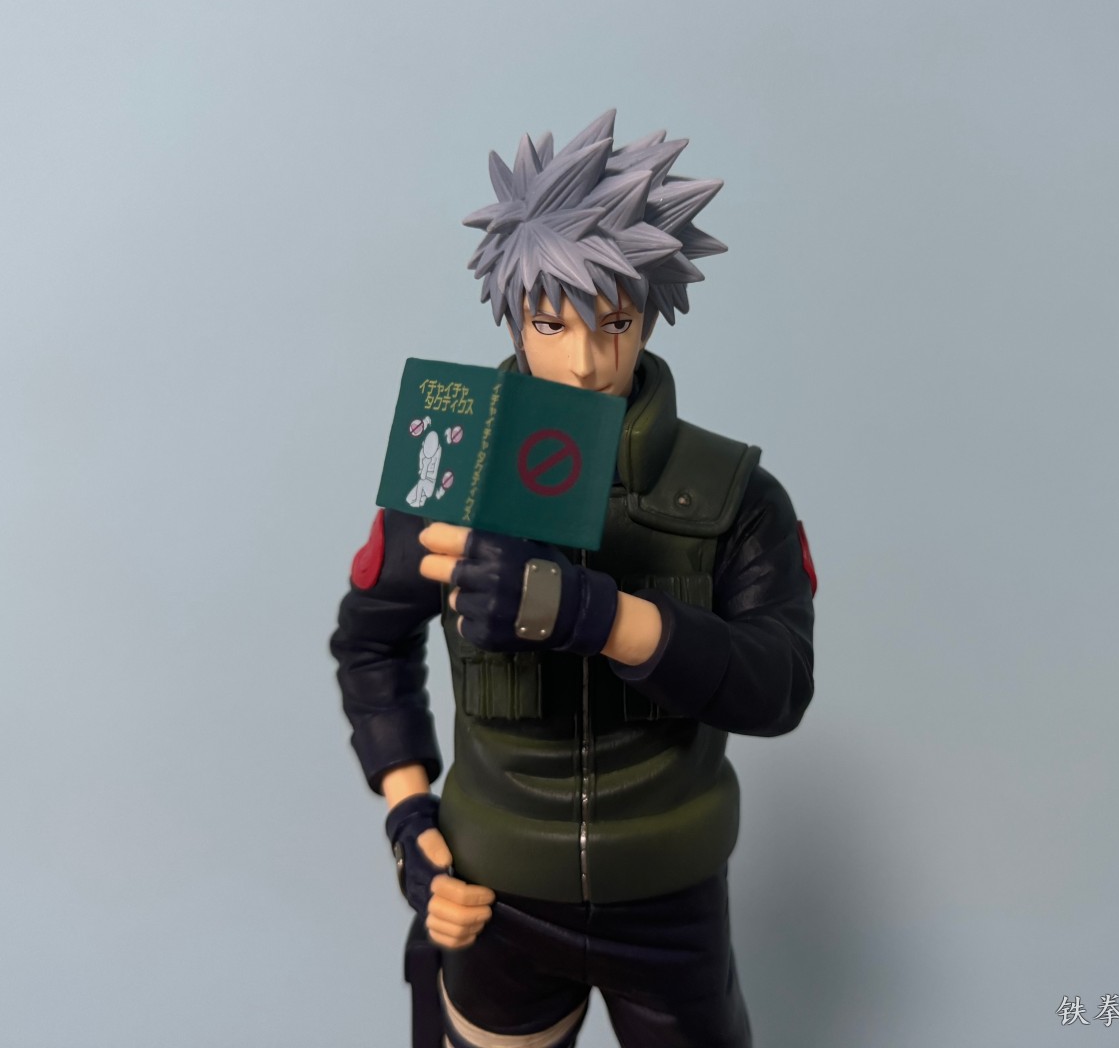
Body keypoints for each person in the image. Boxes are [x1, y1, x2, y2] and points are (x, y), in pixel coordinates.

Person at [330, 110, 816, 1048]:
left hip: (669, 899)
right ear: (515, 314)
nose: (585, 362)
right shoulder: (450, 466)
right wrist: (410, 820)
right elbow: (370, 642)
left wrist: (599, 615)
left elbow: (779, 684)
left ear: (650, 315)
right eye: (551, 324)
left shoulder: (733, 494)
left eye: (615, 323)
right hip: (493, 895)